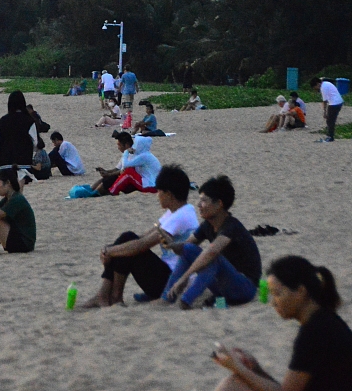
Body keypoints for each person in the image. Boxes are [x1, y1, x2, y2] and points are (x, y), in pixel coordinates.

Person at [210, 255, 352, 391]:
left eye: (277, 294)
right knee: (236, 382)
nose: (273, 302)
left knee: (231, 385)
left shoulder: (314, 332)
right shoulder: (325, 321)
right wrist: (255, 369)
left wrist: (238, 367)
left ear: (301, 291)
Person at [82, 165, 199, 307]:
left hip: (175, 283)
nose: (157, 196)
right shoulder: (176, 211)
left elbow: (143, 244)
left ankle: (112, 296)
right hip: (168, 275)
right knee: (127, 239)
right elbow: (142, 237)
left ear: (168, 194)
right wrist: (113, 249)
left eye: (159, 192)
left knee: (128, 243)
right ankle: (107, 296)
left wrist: (109, 251)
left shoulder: (181, 216)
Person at [162, 175, 261, 309]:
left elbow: (211, 252)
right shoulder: (207, 225)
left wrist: (184, 278)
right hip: (222, 285)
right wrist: (172, 245)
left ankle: (185, 301)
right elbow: (185, 248)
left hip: (244, 287)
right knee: (190, 248)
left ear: (219, 204)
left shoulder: (231, 227)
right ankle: (167, 297)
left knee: (214, 258)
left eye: (203, 200)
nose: (199, 205)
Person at [0, 90, 36, 172]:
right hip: (24, 163)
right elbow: (35, 142)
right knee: (20, 183)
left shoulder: (3, 121)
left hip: (4, 163)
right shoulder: (29, 121)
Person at [310, 76, 343, 142]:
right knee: (331, 120)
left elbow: (324, 101)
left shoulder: (323, 87)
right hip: (338, 102)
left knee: (330, 120)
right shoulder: (326, 83)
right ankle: (330, 135)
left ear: (317, 84)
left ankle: (330, 136)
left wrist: (324, 112)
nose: (316, 89)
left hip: (334, 103)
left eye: (315, 87)